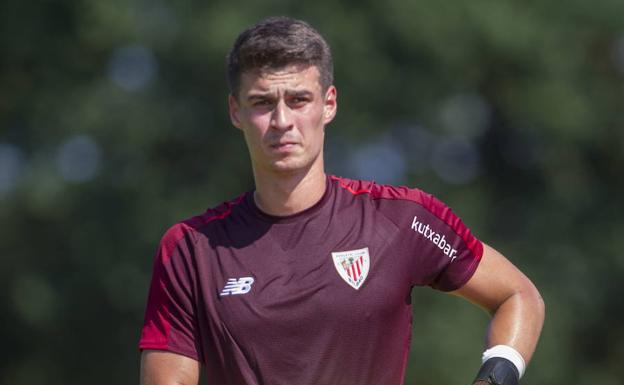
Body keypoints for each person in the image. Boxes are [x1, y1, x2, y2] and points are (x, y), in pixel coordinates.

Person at [138, 16, 545, 385]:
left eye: (298, 100)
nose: (282, 122)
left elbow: (518, 296)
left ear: (328, 104)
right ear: (235, 111)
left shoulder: (401, 219)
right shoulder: (191, 248)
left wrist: (493, 380)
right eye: (262, 103)